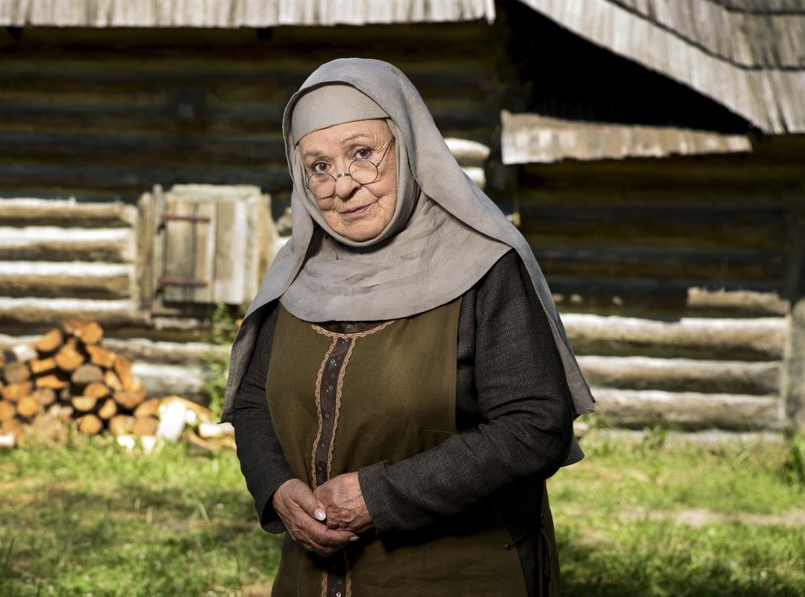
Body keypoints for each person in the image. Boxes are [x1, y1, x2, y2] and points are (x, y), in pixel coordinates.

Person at [222, 58, 594, 597]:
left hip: (460, 577)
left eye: (363, 154)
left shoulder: (484, 266)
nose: (342, 186)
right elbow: (254, 404)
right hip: (314, 581)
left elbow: (535, 425)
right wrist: (277, 489)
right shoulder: (297, 272)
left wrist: (381, 496)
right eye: (318, 167)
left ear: (408, 144)